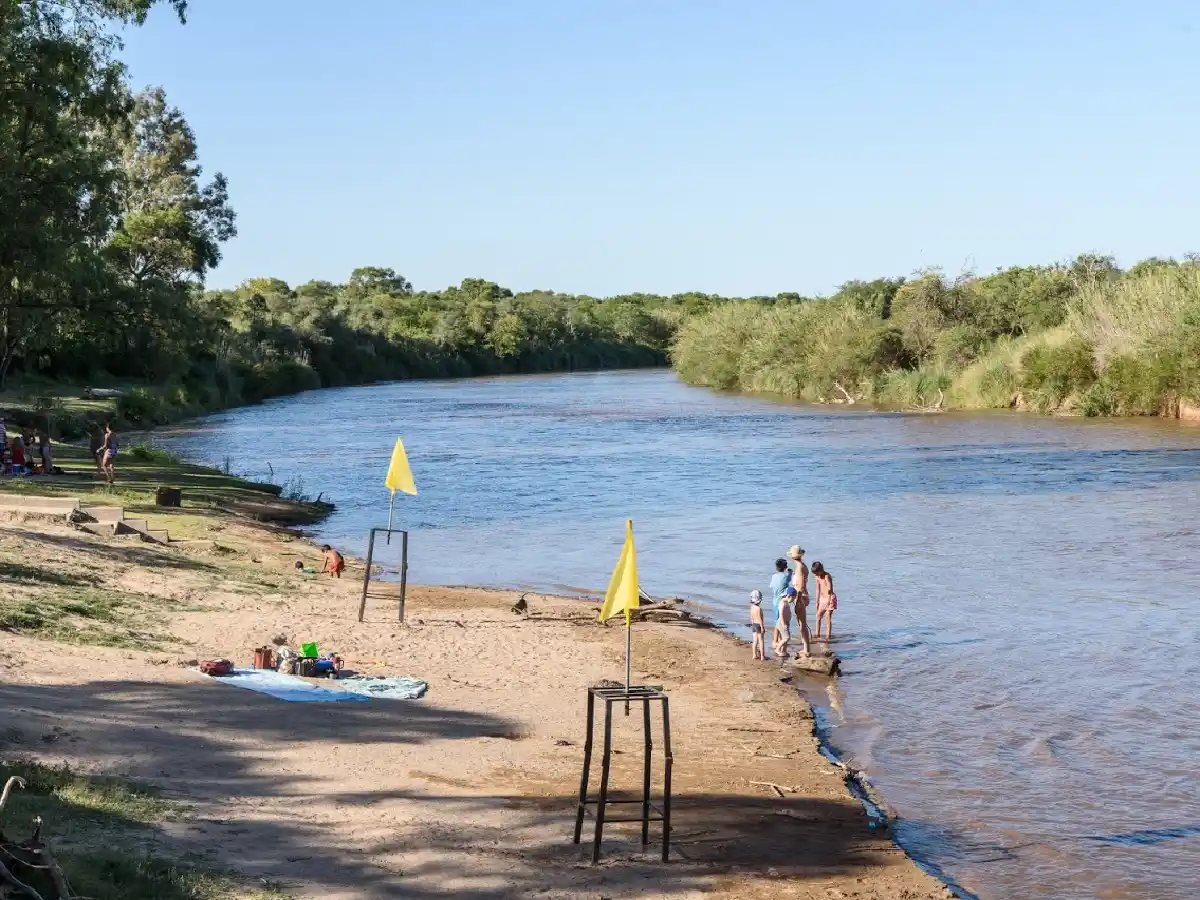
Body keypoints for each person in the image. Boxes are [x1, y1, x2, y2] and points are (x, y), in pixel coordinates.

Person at [786, 545, 813, 657]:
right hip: (802, 596)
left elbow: (800, 586)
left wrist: (798, 601)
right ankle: (805, 645)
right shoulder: (802, 565)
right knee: (801, 623)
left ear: (792, 557)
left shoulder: (799, 568)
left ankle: (806, 649)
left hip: (800, 596)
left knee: (802, 624)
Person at [769, 558, 793, 659]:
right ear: (785, 567)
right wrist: (790, 572)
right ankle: (777, 642)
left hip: (775, 601)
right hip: (781, 601)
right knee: (781, 622)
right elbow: (790, 577)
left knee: (777, 622)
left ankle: (776, 640)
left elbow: (772, 586)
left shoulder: (774, 576)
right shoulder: (786, 577)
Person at [813, 561, 838, 641]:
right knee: (818, 616)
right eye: (815, 574)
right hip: (822, 599)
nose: (816, 575)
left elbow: (830, 589)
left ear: (821, 570)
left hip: (830, 598)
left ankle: (828, 636)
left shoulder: (827, 576)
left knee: (827, 617)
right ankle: (817, 634)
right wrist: (817, 601)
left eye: (817, 573)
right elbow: (817, 590)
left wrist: (828, 600)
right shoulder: (817, 577)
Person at [749, 590, 769, 660]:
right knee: (761, 641)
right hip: (759, 625)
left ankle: (754, 655)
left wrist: (752, 623)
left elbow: (751, 617)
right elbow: (760, 619)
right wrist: (762, 627)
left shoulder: (752, 607)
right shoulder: (759, 609)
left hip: (754, 624)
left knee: (755, 641)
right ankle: (762, 656)